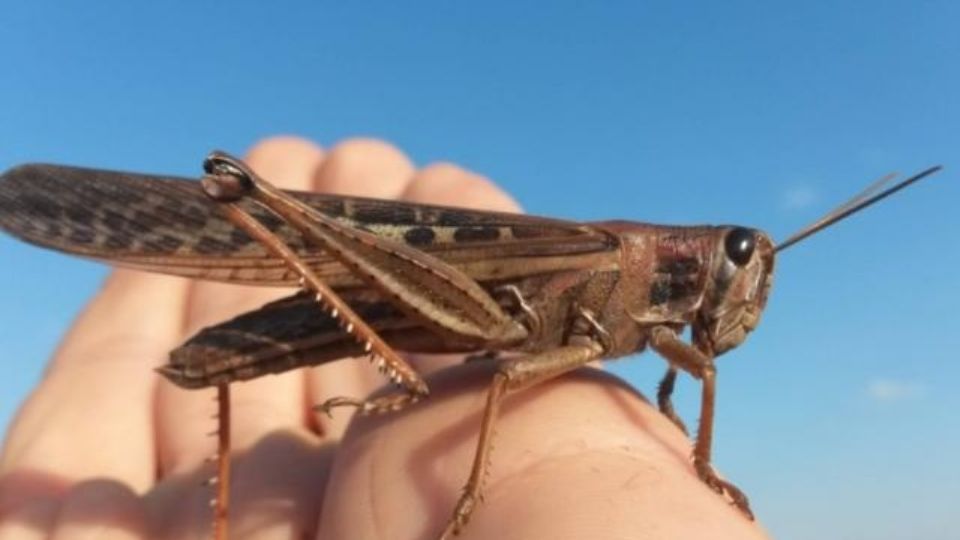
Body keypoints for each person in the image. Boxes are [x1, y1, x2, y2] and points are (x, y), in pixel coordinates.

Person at [0, 137, 770, 539]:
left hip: (436, 302)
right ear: (690, 256)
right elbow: (505, 376)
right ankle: (252, 202)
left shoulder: (666, 334)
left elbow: (693, 366)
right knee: (510, 377)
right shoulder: (609, 257)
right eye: (738, 258)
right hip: (429, 286)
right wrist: (462, 505)